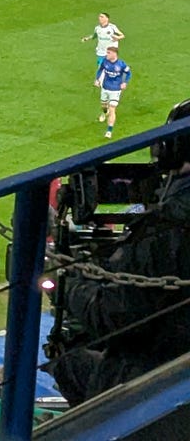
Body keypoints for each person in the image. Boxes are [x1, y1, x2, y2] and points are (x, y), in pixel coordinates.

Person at [47, 99, 190, 405]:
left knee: (66, 357)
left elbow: (113, 317)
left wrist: (68, 285)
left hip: (160, 380)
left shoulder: (167, 229)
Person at [94, 45, 131, 139]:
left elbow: (128, 73)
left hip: (115, 89)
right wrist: (97, 80)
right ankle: (104, 112)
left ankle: (109, 131)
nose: (106, 54)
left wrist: (124, 83)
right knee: (104, 106)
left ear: (114, 54)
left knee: (112, 109)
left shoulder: (121, 64)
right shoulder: (105, 62)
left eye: (108, 53)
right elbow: (100, 70)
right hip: (105, 87)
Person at [80, 12, 124, 78]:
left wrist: (118, 37)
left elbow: (122, 35)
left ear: (107, 19)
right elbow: (95, 35)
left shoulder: (112, 27)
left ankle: (116, 77)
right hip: (101, 50)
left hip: (111, 51)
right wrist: (87, 38)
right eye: (99, 16)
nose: (99, 18)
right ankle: (101, 80)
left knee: (111, 65)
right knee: (100, 66)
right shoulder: (97, 28)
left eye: (102, 17)